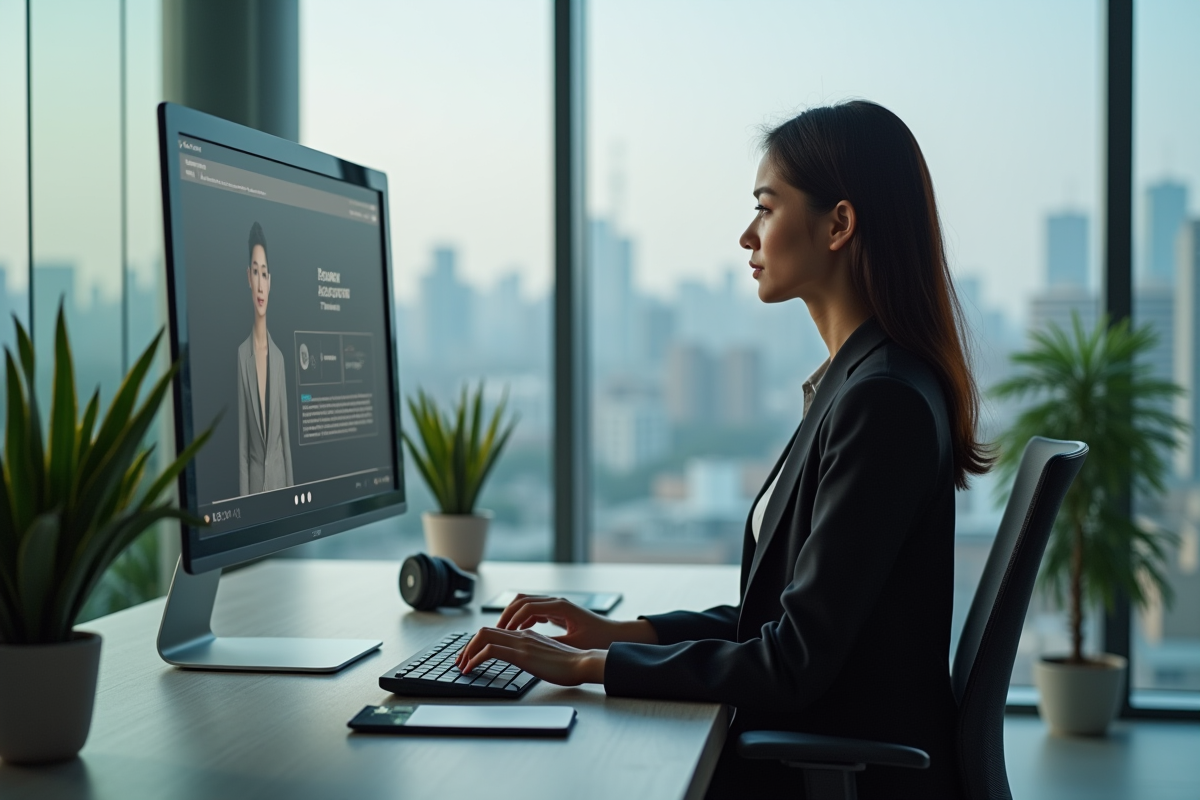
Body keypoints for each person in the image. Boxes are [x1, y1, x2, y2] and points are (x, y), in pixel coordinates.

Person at [457, 101, 990, 799]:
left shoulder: (880, 400)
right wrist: (618, 632)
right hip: (819, 739)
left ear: (839, 224)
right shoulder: (856, 382)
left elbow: (791, 661)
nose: (747, 235)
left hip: (830, 764)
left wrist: (588, 665)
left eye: (766, 208)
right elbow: (782, 616)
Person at [237, 221, 294, 495]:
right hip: (255, 494)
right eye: (256, 273)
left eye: (265, 274)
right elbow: (243, 451)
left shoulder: (280, 359)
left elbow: (285, 442)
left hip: (281, 489)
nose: (260, 285)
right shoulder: (241, 356)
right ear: (249, 277)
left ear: (270, 282)